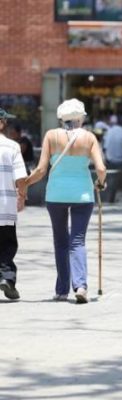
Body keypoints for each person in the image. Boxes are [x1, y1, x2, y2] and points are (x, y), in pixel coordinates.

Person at [25, 99, 107, 304]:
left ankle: (62, 290)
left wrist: (24, 184)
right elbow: (102, 169)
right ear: (80, 117)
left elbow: (41, 170)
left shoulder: (51, 136)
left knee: (60, 242)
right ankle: (80, 286)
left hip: (56, 195)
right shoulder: (89, 138)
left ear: (62, 117)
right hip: (83, 195)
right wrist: (100, 183)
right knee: (77, 240)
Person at [0, 108, 27, 300]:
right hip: (5, 205)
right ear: (1, 123)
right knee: (7, 245)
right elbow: (21, 177)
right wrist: (22, 196)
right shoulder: (12, 147)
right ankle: (7, 279)